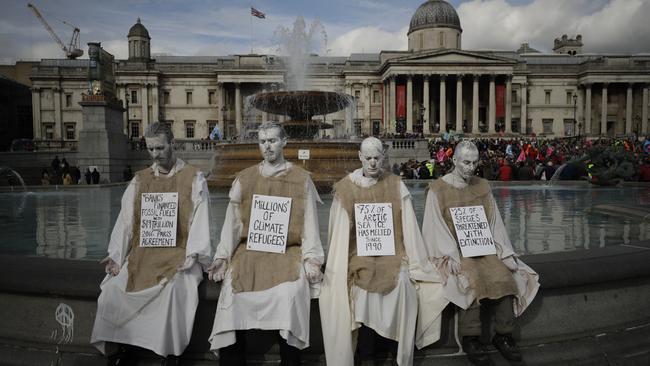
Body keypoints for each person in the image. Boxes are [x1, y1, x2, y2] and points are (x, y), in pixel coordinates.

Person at [90, 122, 212, 365]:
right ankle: (120, 348)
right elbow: (126, 221)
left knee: (173, 292)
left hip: (180, 254)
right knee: (112, 292)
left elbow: (201, 221)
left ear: (172, 144)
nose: (155, 155)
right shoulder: (139, 181)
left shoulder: (195, 178)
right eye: (151, 149)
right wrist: (116, 255)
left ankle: (166, 353)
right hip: (144, 254)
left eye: (160, 148)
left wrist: (194, 254)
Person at [320, 137, 447, 365]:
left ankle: (397, 348)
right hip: (359, 256)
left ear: (383, 158)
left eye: (376, 158)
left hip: (392, 254)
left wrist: (415, 261)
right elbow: (340, 235)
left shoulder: (396, 184)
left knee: (403, 284)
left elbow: (408, 226)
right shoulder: (346, 188)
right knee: (363, 290)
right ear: (359, 157)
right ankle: (366, 354)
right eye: (367, 158)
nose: (372, 163)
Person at [207, 121, 324, 365]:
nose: (267, 146)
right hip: (250, 253)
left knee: (291, 292)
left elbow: (309, 225)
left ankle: (291, 360)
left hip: (287, 253)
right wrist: (222, 256)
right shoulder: (244, 179)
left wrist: (312, 257)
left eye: (272, 140)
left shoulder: (301, 179)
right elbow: (233, 224)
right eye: (262, 141)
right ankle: (232, 360)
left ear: (284, 142)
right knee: (231, 291)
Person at [422, 140, 539, 366]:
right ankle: (471, 338)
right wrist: (450, 254)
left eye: (474, 163)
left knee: (503, 277)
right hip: (456, 250)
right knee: (470, 279)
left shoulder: (483, 186)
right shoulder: (437, 189)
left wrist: (503, 251)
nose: (470, 168)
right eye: (465, 162)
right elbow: (435, 226)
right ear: (454, 160)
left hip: (483, 247)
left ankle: (503, 335)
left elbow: (494, 222)